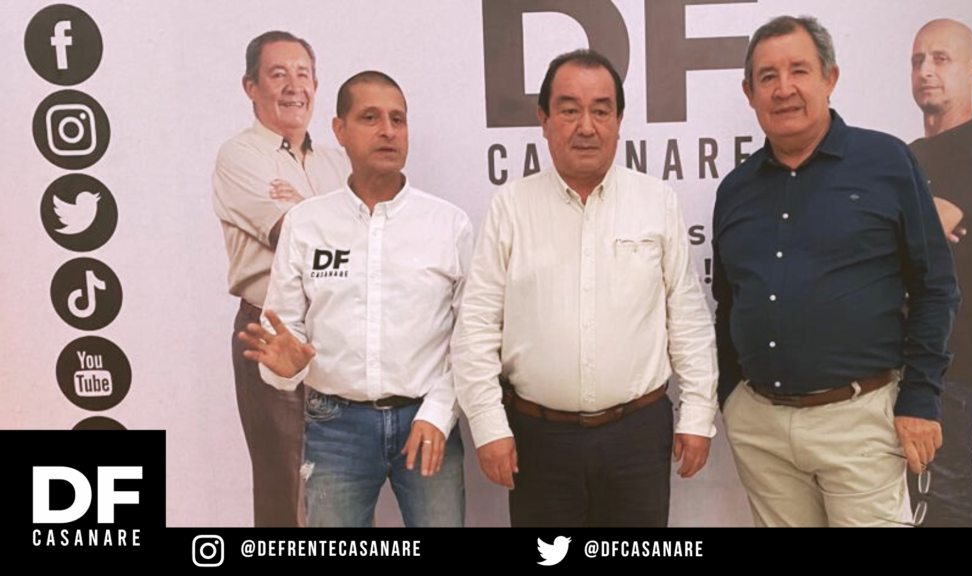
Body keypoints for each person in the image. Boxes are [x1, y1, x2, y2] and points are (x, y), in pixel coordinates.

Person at [453, 49, 718, 527]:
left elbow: (687, 317)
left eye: (601, 110)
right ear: (544, 119)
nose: (586, 126)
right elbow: (476, 327)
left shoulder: (656, 201)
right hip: (538, 440)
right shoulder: (511, 207)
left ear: (619, 120)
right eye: (570, 110)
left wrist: (698, 415)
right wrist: (489, 426)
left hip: (638, 437)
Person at [712, 15, 960, 527]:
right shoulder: (735, 190)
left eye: (799, 71)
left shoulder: (886, 162)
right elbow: (729, 301)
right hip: (761, 429)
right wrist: (732, 396)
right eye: (767, 77)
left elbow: (935, 286)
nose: (784, 89)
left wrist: (920, 397)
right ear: (749, 93)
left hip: (860, 424)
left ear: (830, 77)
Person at [239, 71, 470, 527]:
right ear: (339, 129)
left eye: (398, 120)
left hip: (427, 419)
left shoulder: (448, 224)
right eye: (370, 118)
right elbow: (283, 330)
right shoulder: (306, 223)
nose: (388, 130)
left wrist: (439, 412)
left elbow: (469, 339)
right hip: (334, 427)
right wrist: (285, 369)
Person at [212, 30, 349, 527]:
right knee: (286, 488)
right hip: (272, 331)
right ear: (250, 87)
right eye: (278, 74)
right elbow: (294, 237)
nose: (294, 86)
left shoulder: (337, 160)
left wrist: (304, 209)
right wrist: (326, 219)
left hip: (337, 329)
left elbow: (370, 240)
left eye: (303, 74)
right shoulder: (240, 157)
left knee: (343, 484)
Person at [907, 18, 972, 527]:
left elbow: (932, 228)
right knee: (911, 500)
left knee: (944, 492)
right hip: (900, 356)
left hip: (952, 356)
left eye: (941, 59)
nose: (926, 70)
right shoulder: (907, 156)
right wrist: (914, 225)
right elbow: (908, 235)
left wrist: (915, 224)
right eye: (917, 60)